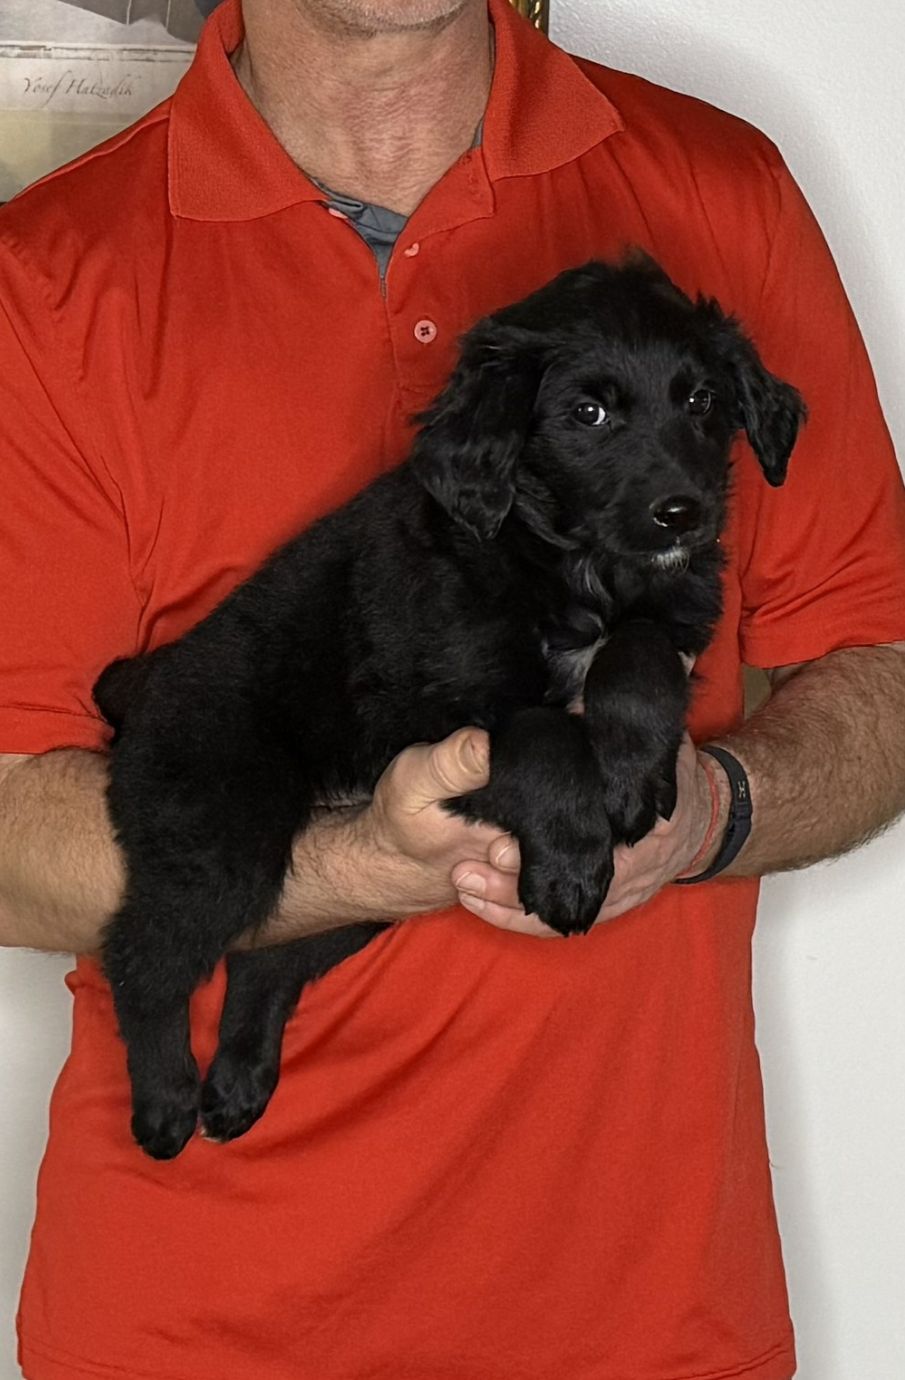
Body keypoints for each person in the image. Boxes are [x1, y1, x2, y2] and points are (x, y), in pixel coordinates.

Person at [1, 0, 904, 1377]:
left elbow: (878, 665)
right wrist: (353, 864)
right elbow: (5, 836)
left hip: (644, 1316)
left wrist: (709, 813)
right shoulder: (48, 277)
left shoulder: (723, 192)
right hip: (200, 1324)